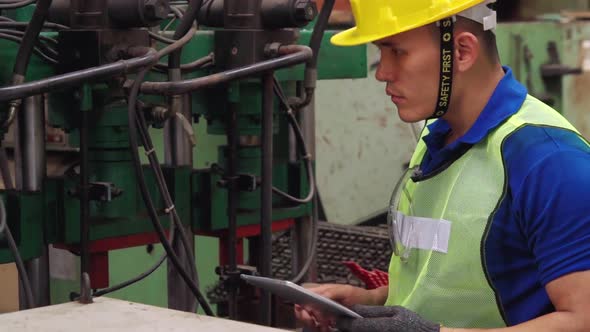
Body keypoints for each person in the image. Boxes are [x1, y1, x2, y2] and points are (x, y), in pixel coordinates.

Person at [295, 0, 590, 331]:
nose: (382, 72)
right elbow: (454, 278)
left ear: (462, 52)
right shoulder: (437, 137)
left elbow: (581, 320)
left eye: (397, 52)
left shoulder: (549, 161)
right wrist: (371, 300)